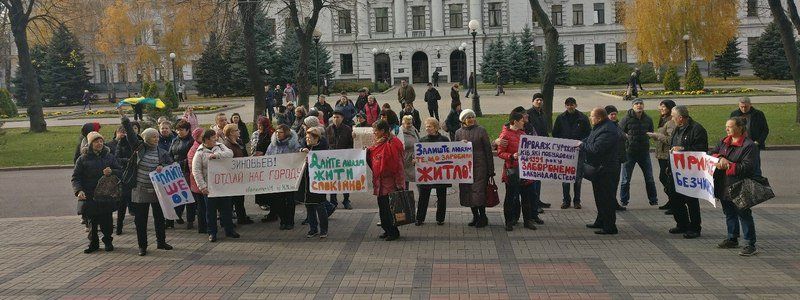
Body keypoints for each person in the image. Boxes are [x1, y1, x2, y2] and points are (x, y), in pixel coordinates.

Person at [120, 115, 173, 256]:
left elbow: (171, 165)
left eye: (157, 136)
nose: (157, 139)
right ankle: (142, 246)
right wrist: (125, 120)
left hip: (158, 190)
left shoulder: (162, 152)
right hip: (140, 189)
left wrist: (163, 165)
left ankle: (161, 242)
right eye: (153, 137)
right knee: (141, 220)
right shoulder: (139, 148)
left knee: (159, 218)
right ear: (147, 138)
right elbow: (131, 135)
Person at [710, 117, 759, 256]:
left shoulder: (749, 146)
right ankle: (732, 237)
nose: (727, 129)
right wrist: (719, 158)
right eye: (726, 126)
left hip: (740, 185)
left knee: (744, 214)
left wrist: (728, 165)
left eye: (730, 127)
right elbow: (711, 153)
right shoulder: (724, 141)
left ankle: (750, 243)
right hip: (723, 184)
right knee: (729, 212)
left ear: (740, 128)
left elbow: (748, 167)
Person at [72, 131, 122, 253]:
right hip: (90, 195)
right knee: (91, 223)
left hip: (106, 194)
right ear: (90, 144)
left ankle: (108, 241)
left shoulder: (109, 156)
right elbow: (76, 177)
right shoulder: (82, 159)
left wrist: (112, 172)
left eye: (100, 141)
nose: (99, 143)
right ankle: (93, 243)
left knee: (107, 221)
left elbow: (120, 171)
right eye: (96, 141)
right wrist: (79, 190)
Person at [192, 129, 239, 242]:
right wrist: (202, 186)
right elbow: (196, 171)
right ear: (207, 140)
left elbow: (230, 154)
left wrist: (216, 155)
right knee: (211, 212)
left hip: (223, 185)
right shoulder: (199, 153)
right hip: (209, 188)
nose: (215, 139)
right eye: (213, 138)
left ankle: (229, 230)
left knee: (226, 209)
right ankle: (212, 232)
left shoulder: (220, 146)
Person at [669, 105, 709, 239]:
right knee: (675, 198)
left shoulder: (697, 129)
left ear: (680, 118)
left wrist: (683, 148)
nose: (672, 118)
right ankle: (682, 224)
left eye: (673, 116)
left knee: (691, 200)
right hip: (677, 170)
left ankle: (695, 227)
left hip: (691, 171)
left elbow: (701, 149)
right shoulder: (677, 128)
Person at [583, 107, 622, 234]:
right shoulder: (599, 127)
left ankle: (610, 226)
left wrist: (582, 146)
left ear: (599, 118)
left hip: (607, 170)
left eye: (591, 116)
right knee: (599, 197)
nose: (590, 118)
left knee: (607, 199)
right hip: (599, 170)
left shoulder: (608, 130)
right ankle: (601, 221)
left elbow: (596, 149)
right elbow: (589, 140)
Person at [497, 112, 538, 231]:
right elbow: (500, 153)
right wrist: (511, 156)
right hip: (512, 171)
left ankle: (527, 221)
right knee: (510, 197)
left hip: (525, 170)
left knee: (526, 197)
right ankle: (509, 221)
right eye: (521, 120)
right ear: (514, 122)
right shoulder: (505, 135)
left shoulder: (523, 134)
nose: (524, 122)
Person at [455, 109, 495, 228]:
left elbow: (488, 150)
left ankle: (483, 217)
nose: (471, 119)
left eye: (472, 117)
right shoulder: (458, 133)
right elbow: (454, 151)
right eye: (468, 118)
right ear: (463, 120)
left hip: (480, 166)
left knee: (479, 192)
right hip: (465, 167)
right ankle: (475, 216)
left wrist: (490, 170)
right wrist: (460, 144)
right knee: (468, 192)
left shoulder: (481, 130)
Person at [367, 120, 405, 241]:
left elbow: (398, 165)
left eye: (375, 131)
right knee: (382, 207)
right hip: (380, 181)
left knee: (389, 208)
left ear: (383, 131)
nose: (374, 133)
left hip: (390, 182)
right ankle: (386, 229)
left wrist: (399, 183)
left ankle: (393, 232)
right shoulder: (378, 143)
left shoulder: (392, 143)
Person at [552, 97, 591, 209]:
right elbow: (555, 133)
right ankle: (566, 200)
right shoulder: (560, 118)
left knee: (578, 178)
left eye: (572, 104)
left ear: (576, 105)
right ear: (565, 106)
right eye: (568, 104)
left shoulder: (583, 118)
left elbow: (588, 134)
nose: (570, 106)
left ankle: (577, 201)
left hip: (579, 151)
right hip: (565, 153)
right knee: (565, 177)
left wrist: (581, 144)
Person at [619, 99, 658, 206]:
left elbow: (650, 131)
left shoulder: (648, 119)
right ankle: (624, 200)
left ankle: (653, 199)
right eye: (636, 104)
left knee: (649, 177)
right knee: (626, 179)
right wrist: (626, 137)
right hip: (629, 153)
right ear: (633, 106)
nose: (639, 105)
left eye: (641, 104)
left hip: (644, 152)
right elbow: (619, 132)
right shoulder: (626, 119)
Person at [416, 118, 451, 226]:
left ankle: (440, 218)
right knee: (423, 196)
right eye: (426, 126)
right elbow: (417, 155)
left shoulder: (444, 140)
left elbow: (451, 154)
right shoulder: (422, 140)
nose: (427, 128)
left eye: (429, 126)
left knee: (441, 196)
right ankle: (420, 218)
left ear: (436, 127)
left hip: (440, 173)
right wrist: (415, 160)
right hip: (427, 173)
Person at [266, 124, 301, 229]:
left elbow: (298, 157)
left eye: (280, 132)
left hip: (289, 178)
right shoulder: (273, 145)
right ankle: (283, 220)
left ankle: (290, 221)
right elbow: (268, 157)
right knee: (277, 200)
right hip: (276, 178)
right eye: (276, 132)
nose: (277, 134)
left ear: (286, 133)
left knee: (290, 200)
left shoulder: (294, 144)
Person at [646, 100, 678, 214]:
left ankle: (675, 203)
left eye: (663, 107)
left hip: (667, 155)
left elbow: (671, 140)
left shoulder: (672, 122)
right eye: (660, 106)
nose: (661, 108)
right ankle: (672, 201)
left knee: (665, 178)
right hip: (661, 154)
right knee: (664, 178)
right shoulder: (664, 119)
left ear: (670, 108)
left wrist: (657, 135)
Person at [221, 123, 253, 225]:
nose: (239, 131)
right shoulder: (227, 145)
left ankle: (242, 217)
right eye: (237, 130)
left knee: (240, 198)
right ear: (231, 133)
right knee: (232, 200)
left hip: (240, 175)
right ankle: (227, 221)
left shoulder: (238, 142)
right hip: (232, 177)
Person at [300, 127, 330, 238]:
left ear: (316, 138)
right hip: (307, 183)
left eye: (309, 137)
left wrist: (311, 154)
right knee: (309, 206)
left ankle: (323, 230)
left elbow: (323, 162)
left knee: (320, 206)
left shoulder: (323, 148)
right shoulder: (305, 147)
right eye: (306, 137)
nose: (307, 139)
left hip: (318, 182)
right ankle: (313, 229)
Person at [167, 120, 196, 229]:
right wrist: (171, 163)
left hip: (186, 171)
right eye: (177, 130)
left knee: (189, 197)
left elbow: (191, 157)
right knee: (177, 195)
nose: (179, 132)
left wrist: (179, 163)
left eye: (181, 130)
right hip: (175, 171)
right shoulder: (175, 140)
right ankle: (177, 215)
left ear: (188, 130)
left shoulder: (191, 142)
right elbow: (170, 154)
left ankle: (190, 220)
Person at [526, 93, 552, 210]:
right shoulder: (528, 114)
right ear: (532, 101)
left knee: (539, 175)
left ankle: (537, 200)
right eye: (537, 100)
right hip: (532, 149)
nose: (539, 102)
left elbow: (545, 130)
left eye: (541, 100)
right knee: (533, 177)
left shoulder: (543, 114)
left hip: (542, 148)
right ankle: (534, 203)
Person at [730, 97, 768, 176]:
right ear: (739, 105)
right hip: (738, 145)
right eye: (741, 107)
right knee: (739, 165)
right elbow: (730, 129)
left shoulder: (758, 114)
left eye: (746, 107)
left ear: (750, 105)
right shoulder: (734, 114)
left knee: (755, 166)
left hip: (754, 145)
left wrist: (757, 142)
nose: (743, 109)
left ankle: (757, 182)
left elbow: (765, 130)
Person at [326, 110, 354, 209]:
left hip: (344, 158)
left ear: (342, 118)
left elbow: (351, 144)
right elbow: (326, 143)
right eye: (334, 117)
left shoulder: (347, 129)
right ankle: (333, 201)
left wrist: (347, 152)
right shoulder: (328, 129)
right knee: (332, 181)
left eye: (337, 117)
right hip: (332, 160)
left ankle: (346, 200)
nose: (335, 119)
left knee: (344, 181)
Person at [605, 105, 628, 211]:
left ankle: (613, 202)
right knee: (611, 183)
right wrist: (625, 136)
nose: (614, 116)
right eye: (611, 114)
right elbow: (620, 136)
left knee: (615, 182)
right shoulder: (608, 126)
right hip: (611, 159)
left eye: (615, 114)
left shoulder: (616, 124)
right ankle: (611, 203)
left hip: (618, 158)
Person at [186, 127, 207, 234]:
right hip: (198, 183)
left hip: (201, 182)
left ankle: (204, 225)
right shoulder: (194, 150)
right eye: (203, 135)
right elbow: (194, 169)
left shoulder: (201, 147)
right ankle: (202, 227)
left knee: (203, 206)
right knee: (201, 207)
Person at [400, 115, 420, 187]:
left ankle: (421, 198)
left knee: (419, 179)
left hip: (415, 159)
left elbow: (418, 140)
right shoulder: (399, 132)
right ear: (403, 123)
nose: (410, 125)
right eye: (408, 123)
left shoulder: (414, 129)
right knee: (405, 181)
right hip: (405, 159)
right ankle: (406, 197)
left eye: (411, 123)